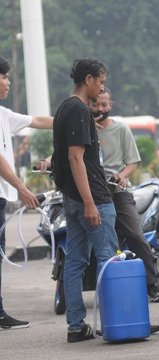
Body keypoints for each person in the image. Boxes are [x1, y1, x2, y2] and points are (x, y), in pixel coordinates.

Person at [51, 58, 119, 343]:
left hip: (71, 199)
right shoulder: (79, 109)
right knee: (108, 260)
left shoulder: (64, 108)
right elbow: (75, 158)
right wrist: (90, 203)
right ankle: (118, 323)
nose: (102, 88)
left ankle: (76, 326)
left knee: (75, 263)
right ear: (89, 79)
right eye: (101, 82)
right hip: (92, 199)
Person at [88, 87, 159, 302]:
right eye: (96, 105)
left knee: (136, 235)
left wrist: (121, 176)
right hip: (92, 193)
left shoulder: (121, 129)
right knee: (99, 244)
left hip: (117, 191)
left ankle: (152, 283)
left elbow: (133, 162)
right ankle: (109, 288)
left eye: (104, 105)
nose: (100, 109)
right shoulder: (84, 129)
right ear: (89, 105)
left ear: (110, 105)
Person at [0, 56, 53, 330]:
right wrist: (22, 188)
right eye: (4, 76)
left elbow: (38, 121)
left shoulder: (4, 115)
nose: (8, 81)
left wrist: (73, 119)